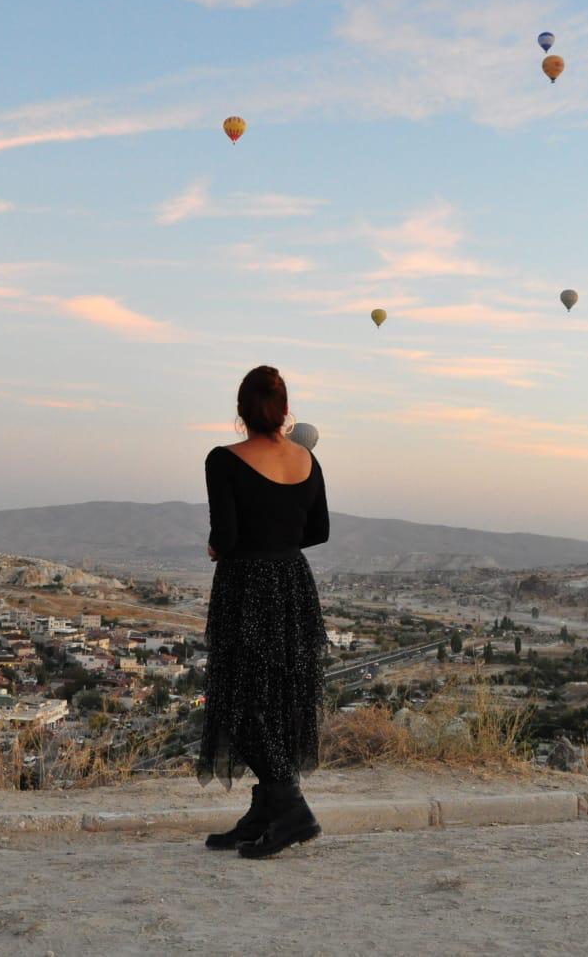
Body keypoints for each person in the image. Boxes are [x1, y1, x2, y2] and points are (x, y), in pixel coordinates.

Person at [198, 365, 330, 858]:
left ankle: (292, 807)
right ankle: (266, 808)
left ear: (241, 411)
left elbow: (226, 538)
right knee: (273, 699)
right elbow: (318, 531)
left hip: (246, 586)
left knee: (240, 700)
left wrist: (217, 549)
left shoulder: (222, 460)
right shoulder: (307, 461)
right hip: (291, 585)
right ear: (284, 409)